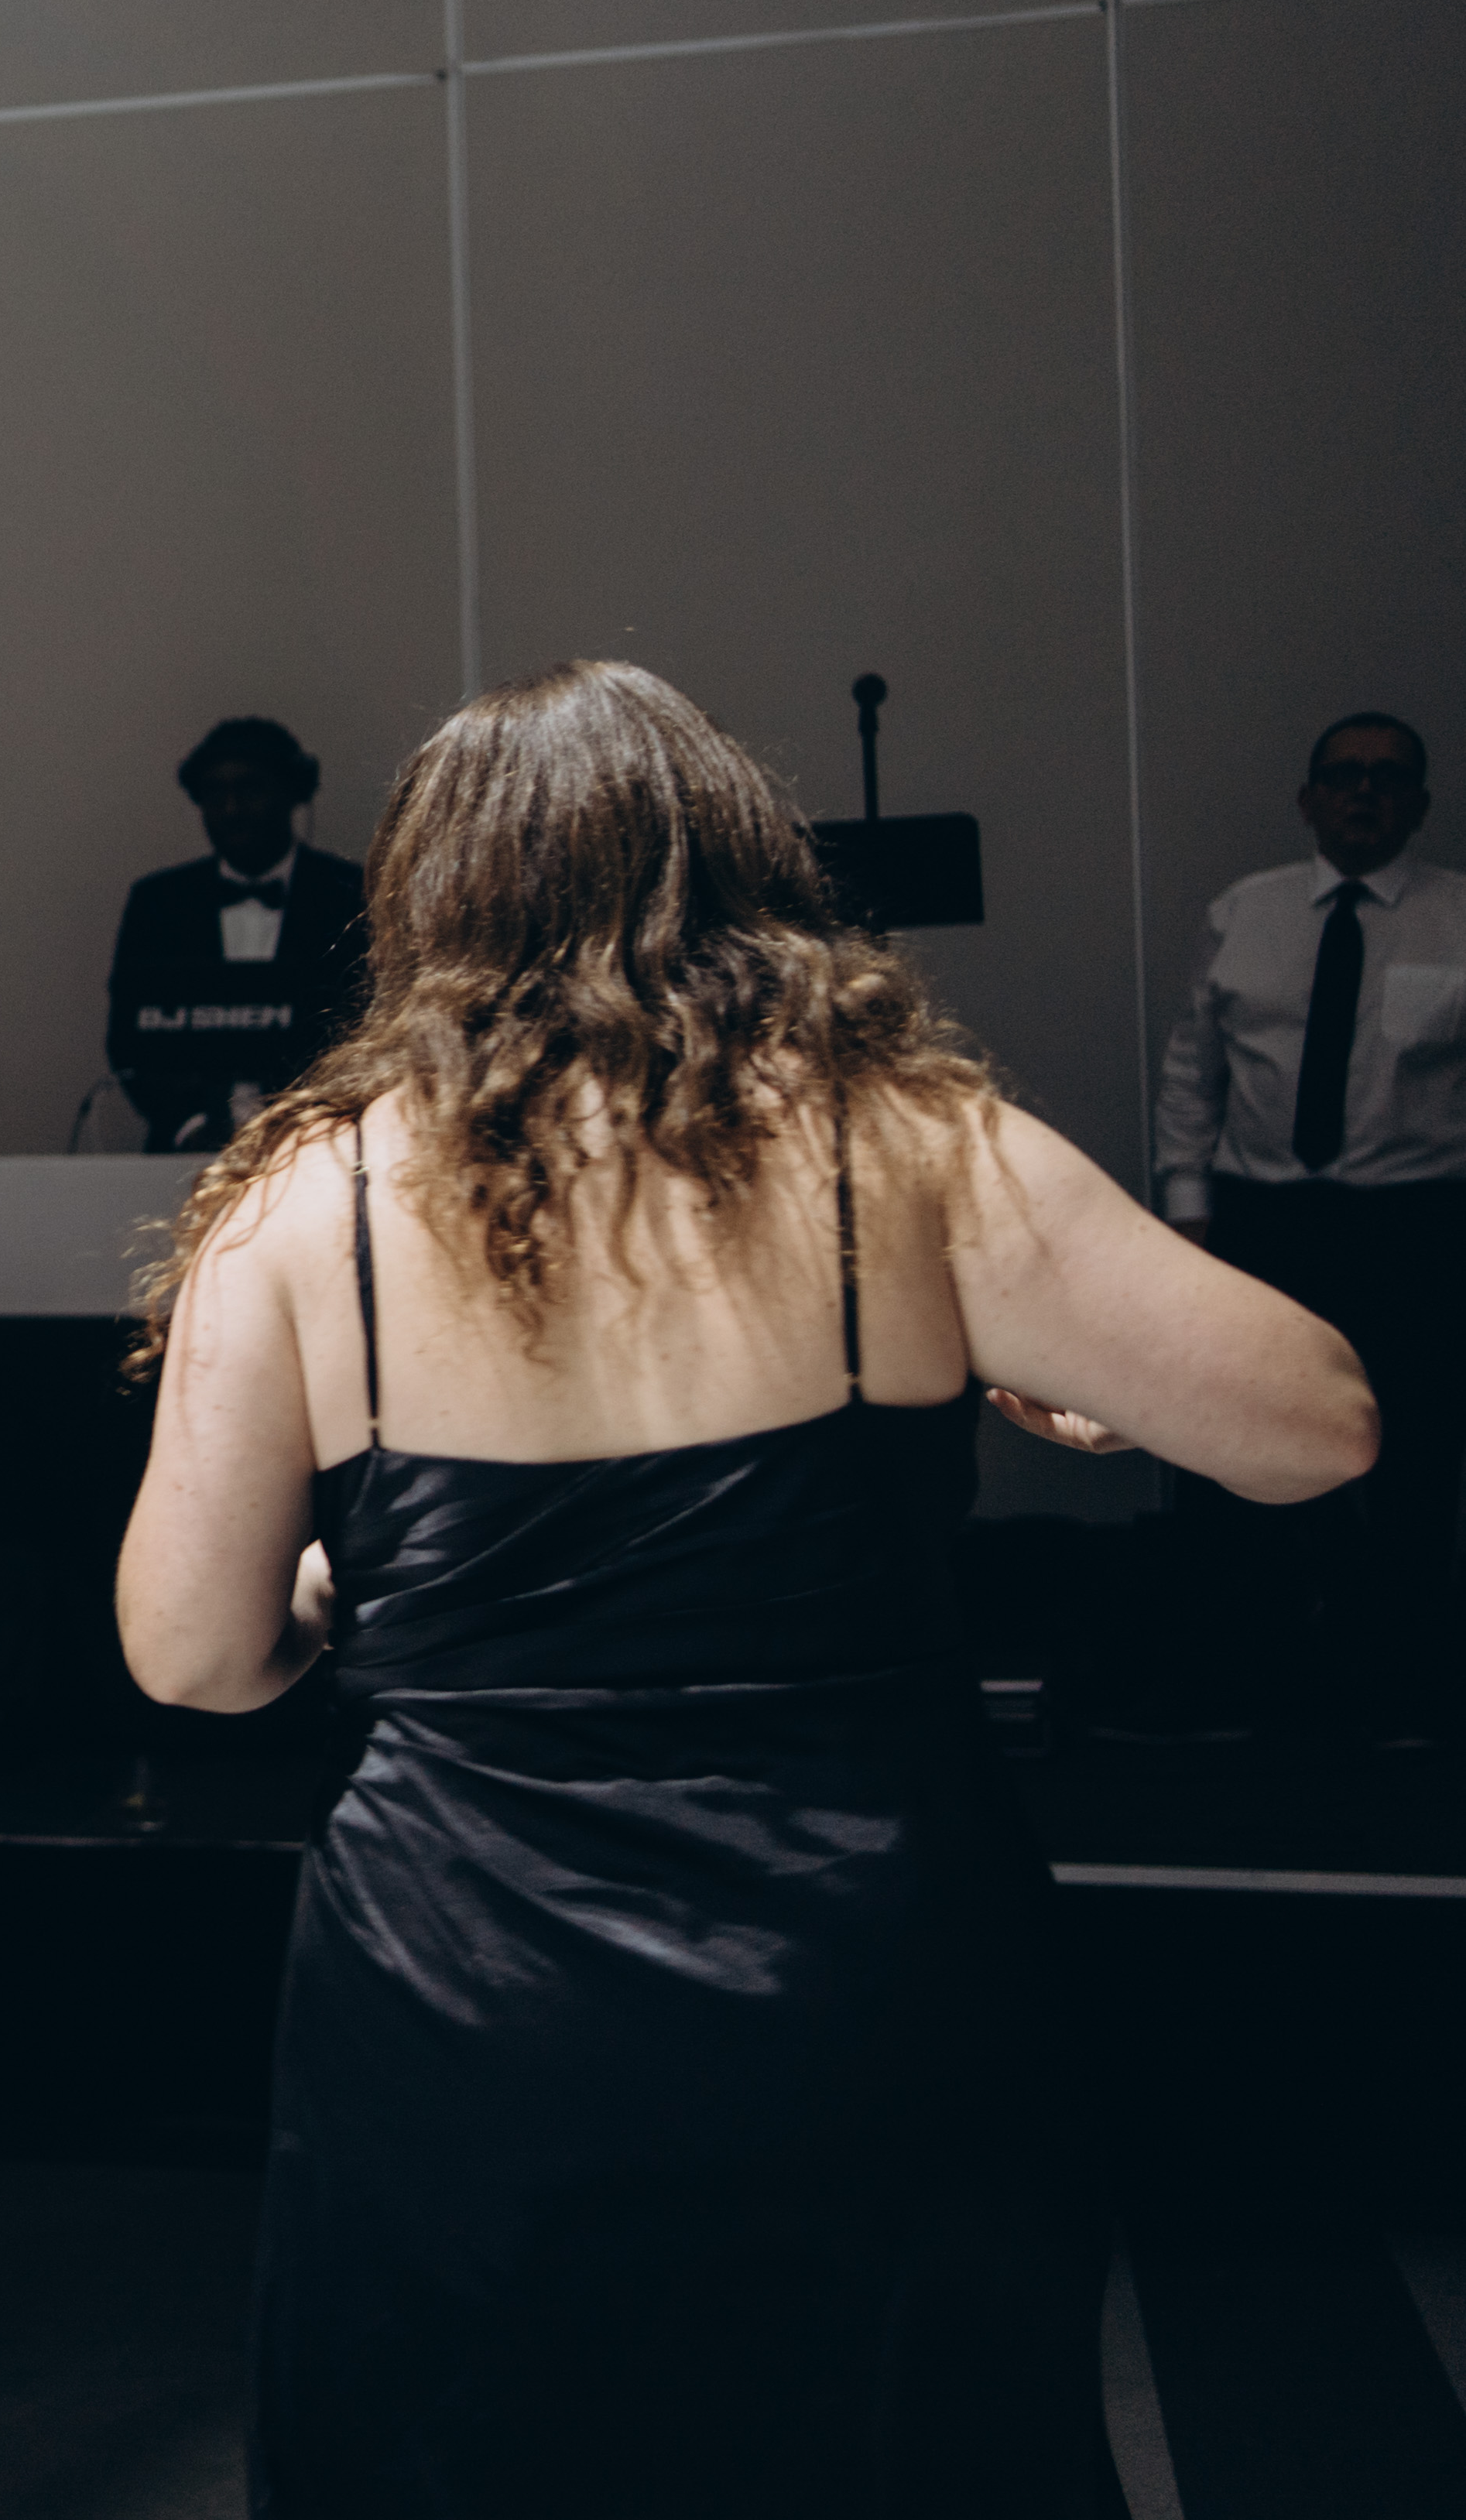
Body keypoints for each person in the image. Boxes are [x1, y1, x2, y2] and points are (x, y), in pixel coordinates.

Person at [117, 662, 1375, 2518]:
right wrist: (1086, 1390)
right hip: (858, 1962)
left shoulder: (309, 1196)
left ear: (423, 903)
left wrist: (341, 1584)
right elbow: (1317, 1428)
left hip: (463, 1992)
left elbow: (190, 1657)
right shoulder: (899, 1138)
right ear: (735, 866)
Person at [1140, 710, 1464, 1744]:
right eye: (1344, 774)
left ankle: (1398, 1686)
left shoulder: (1459, 919)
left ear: (1418, 802)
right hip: (1263, 1221)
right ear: (1309, 798)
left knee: (1411, 1453)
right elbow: (1193, 1071)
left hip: (1412, 1223)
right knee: (1238, 1448)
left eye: (1388, 776)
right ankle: (1242, 1677)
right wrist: (1188, 1214)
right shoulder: (1247, 911)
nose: (1364, 791)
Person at [105, 715, 368, 1149]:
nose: (231, 809)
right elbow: (130, 1040)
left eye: (250, 789)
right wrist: (190, 1126)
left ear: (293, 793)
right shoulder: (158, 902)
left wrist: (311, 1126)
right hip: (182, 1159)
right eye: (214, 794)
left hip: (321, 1146)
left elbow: (367, 1028)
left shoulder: (350, 894)